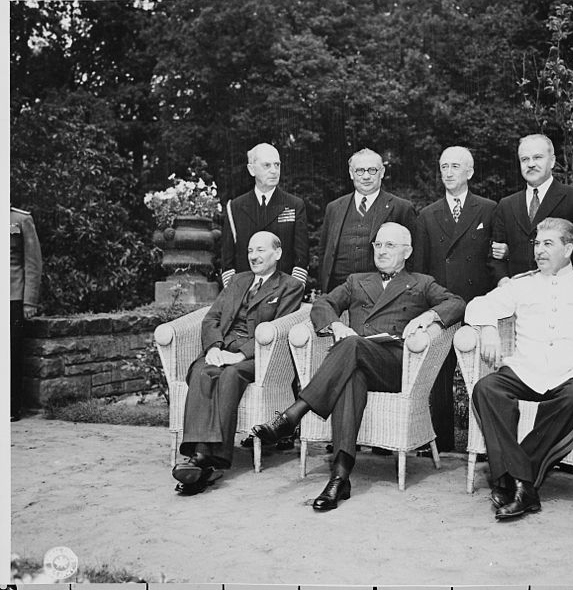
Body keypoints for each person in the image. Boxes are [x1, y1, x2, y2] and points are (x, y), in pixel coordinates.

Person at [251, 223, 465, 511]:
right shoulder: (356, 280)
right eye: (378, 245)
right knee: (351, 376)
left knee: (351, 345)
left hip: (396, 366)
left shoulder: (422, 282)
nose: (382, 250)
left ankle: (294, 414)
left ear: (408, 251)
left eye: (390, 245)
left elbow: (457, 302)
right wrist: (337, 324)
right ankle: (340, 477)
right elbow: (322, 304)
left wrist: (429, 316)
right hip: (356, 361)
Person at [466, 217, 573, 520]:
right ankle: (524, 486)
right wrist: (488, 329)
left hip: (567, 373)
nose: (539, 251)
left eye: (548, 244)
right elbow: (478, 305)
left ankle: (513, 480)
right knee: (486, 388)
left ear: (568, 247)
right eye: (536, 243)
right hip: (525, 370)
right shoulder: (522, 285)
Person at [172, 231, 304, 495]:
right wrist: (213, 348)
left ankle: (208, 458)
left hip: (260, 357)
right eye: (250, 251)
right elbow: (211, 319)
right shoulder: (238, 281)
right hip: (223, 347)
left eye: (260, 250)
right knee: (201, 371)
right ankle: (201, 458)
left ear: (277, 253)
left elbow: (279, 329)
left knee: (231, 375)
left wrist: (241, 355)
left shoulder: (290, 286)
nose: (254, 256)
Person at [412, 146, 498, 452]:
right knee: (438, 374)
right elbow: (421, 269)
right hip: (442, 306)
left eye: (455, 166)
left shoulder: (488, 209)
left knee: (482, 374)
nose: (448, 172)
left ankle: (484, 442)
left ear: (470, 172)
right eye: (444, 166)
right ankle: (442, 441)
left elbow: (494, 261)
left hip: (477, 305)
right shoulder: (427, 215)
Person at [491, 134, 573, 285]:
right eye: (525, 159)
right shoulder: (506, 204)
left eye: (537, 157)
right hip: (518, 297)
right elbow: (495, 256)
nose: (531, 164)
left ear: (552, 161)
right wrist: (504, 281)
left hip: (562, 295)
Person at [317, 148, 417, 294]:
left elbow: (414, 258)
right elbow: (323, 251)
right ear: (351, 174)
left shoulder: (401, 208)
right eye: (360, 171)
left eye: (372, 170)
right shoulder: (334, 208)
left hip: (381, 293)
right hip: (337, 291)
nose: (366, 176)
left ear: (382, 172)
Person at [221, 143, 309, 288]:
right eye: (267, 165)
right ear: (251, 169)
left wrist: (292, 293)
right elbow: (227, 261)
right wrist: (233, 293)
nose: (274, 171)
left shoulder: (294, 205)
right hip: (244, 294)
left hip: (282, 294)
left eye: (277, 165)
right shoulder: (235, 207)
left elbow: (301, 258)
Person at [10, 206, 43, 422]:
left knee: (11, 353)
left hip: (12, 296)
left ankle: (11, 407)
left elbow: (33, 262)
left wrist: (29, 301)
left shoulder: (21, 219)